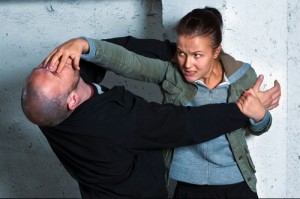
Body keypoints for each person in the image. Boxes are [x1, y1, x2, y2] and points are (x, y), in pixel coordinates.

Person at [44, 7, 281, 199]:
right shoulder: (171, 74)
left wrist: (260, 116)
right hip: (187, 187)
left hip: (236, 184)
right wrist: (85, 45)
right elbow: (129, 61)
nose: (187, 64)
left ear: (216, 51)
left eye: (197, 55)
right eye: (181, 52)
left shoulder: (245, 78)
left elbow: (258, 127)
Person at [21, 58, 265, 199]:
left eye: (41, 68)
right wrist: (244, 111)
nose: (51, 62)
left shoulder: (48, 110)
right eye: (52, 72)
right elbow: (185, 124)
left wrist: (84, 44)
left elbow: (103, 58)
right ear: (72, 101)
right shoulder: (113, 124)